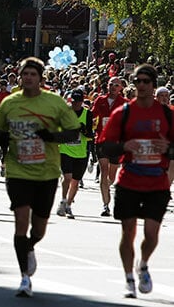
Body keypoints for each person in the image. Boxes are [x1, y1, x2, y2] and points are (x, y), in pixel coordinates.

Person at [0, 57, 81, 297]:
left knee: (39, 227)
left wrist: (51, 136)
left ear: (40, 78)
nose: (28, 78)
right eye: (25, 74)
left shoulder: (54, 103)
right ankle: (24, 278)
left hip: (47, 171)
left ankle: (30, 246)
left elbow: (73, 132)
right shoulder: (10, 103)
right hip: (18, 169)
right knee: (21, 219)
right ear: (19, 77)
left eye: (33, 74)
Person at [99, 64, 174, 298]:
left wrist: (168, 148)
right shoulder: (124, 113)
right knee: (128, 231)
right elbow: (104, 144)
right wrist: (124, 146)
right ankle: (129, 279)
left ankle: (143, 264)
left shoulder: (167, 115)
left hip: (156, 182)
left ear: (153, 85)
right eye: (138, 81)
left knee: (151, 234)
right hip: (129, 179)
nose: (141, 85)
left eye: (146, 81)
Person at [92, 76, 128, 216]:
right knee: (104, 171)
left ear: (121, 88)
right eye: (111, 84)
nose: (113, 86)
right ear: (107, 86)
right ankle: (105, 205)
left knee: (111, 176)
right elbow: (92, 115)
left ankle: (107, 187)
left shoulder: (125, 103)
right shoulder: (100, 100)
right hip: (101, 140)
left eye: (116, 85)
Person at [56, 89, 94, 219]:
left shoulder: (87, 114)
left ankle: (69, 205)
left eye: (78, 101)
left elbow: (90, 134)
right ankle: (63, 200)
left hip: (81, 152)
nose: (76, 104)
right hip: (65, 150)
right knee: (67, 177)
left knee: (75, 181)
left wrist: (83, 129)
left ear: (82, 101)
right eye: (74, 101)